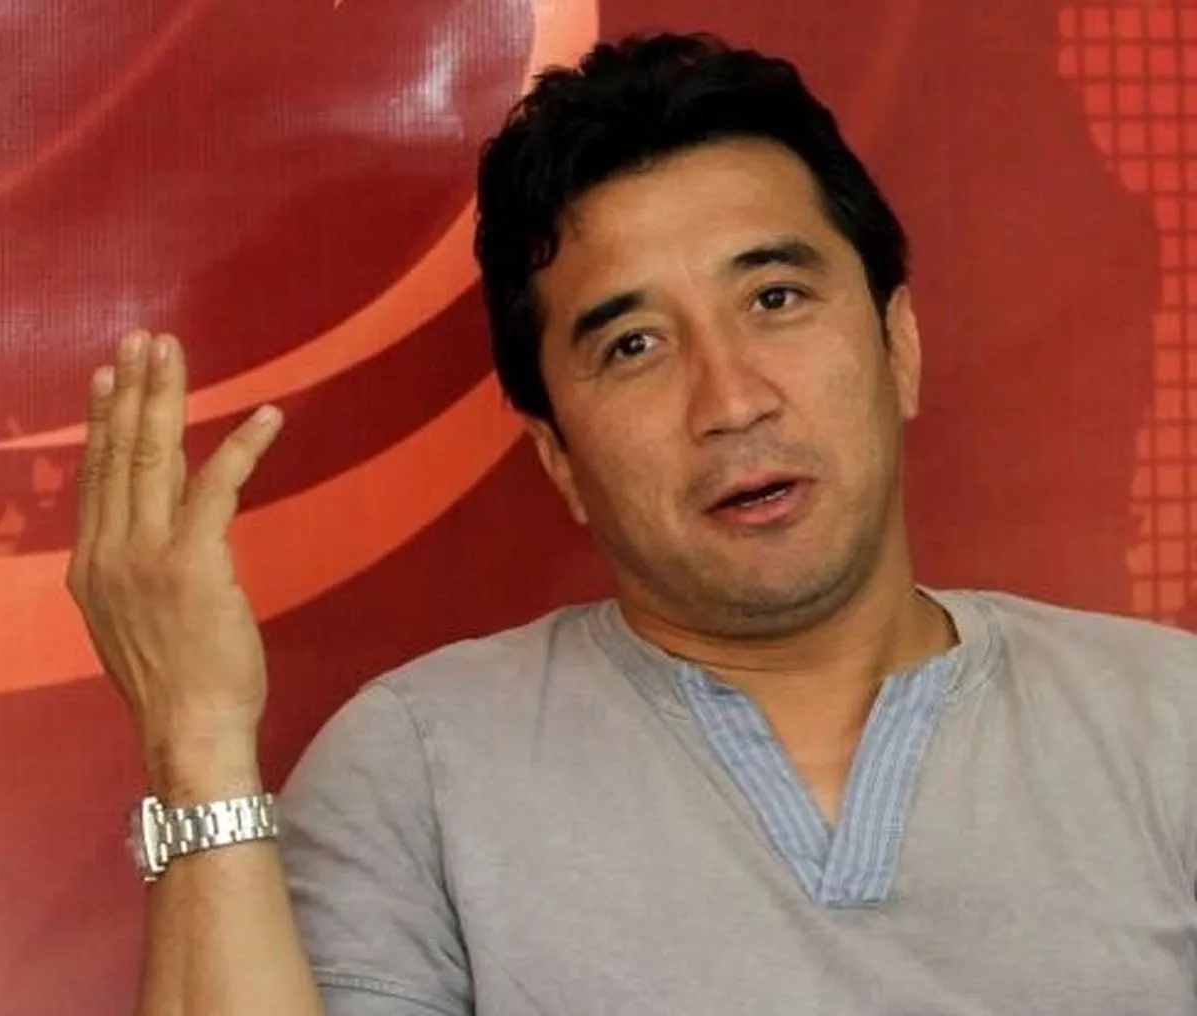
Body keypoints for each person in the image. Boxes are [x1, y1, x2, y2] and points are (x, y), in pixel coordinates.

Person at [67, 31, 1197, 1016]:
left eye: (775, 298)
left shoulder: (1166, 723)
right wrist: (194, 740)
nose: (732, 400)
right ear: (560, 457)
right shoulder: (419, 767)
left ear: (898, 345)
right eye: (634, 345)